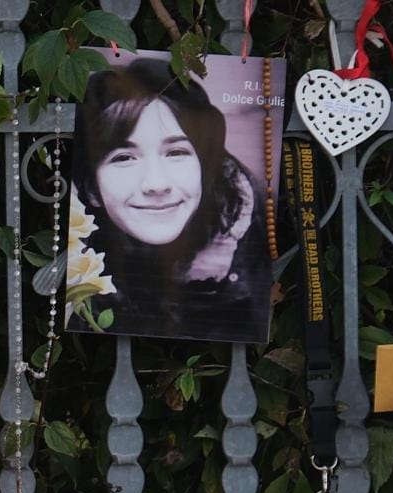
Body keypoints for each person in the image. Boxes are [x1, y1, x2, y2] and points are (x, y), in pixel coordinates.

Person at [68, 58, 271, 343]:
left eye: (176, 153)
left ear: (203, 166)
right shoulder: (75, 248)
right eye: (124, 158)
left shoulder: (251, 237)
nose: (157, 184)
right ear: (90, 189)